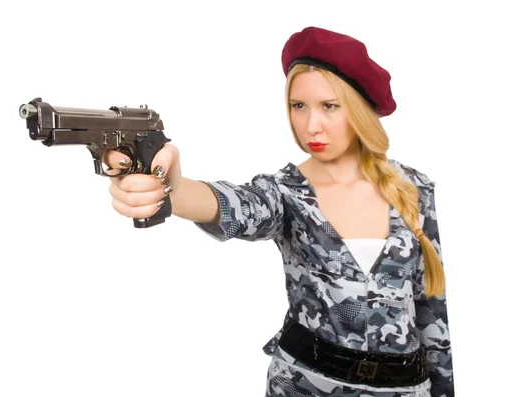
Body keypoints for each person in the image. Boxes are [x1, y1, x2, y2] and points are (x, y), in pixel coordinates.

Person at [105, 26, 454, 397]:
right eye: (298, 106)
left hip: (405, 389)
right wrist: (172, 187)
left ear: (360, 109)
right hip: (305, 386)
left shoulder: (414, 188)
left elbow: (431, 308)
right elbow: (237, 206)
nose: (310, 125)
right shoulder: (285, 192)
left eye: (329, 106)